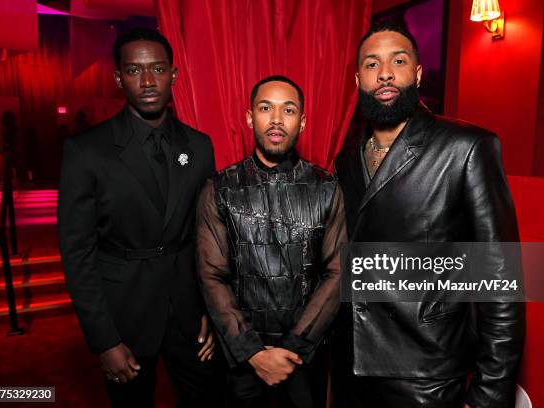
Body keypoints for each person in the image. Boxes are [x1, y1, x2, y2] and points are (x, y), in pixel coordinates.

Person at [332, 23, 525, 407]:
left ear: (417, 73)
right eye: (372, 64)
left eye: (398, 61)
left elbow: (500, 278)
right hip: (352, 371)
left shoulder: (466, 148)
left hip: (428, 377)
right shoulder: (346, 161)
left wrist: (489, 394)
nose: (385, 72)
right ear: (358, 80)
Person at [58, 28, 224, 407]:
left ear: (174, 74)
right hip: (124, 317)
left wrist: (211, 310)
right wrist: (105, 340)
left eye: (158, 69)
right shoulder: (86, 152)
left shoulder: (198, 146)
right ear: (118, 77)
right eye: (134, 70)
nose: (148, 81)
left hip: (189, 315)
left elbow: (208, 237)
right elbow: (77, 253)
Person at [196, 75, 347, 408]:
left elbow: (338, 274)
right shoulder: (219, 188)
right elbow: (211, 275)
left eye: (288, 110)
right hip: (242, 363)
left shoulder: (326, 187)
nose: (277, 119)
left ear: (302, 122)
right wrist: (252, 352)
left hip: (305, 360)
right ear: (250, 117)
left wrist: (293, 348)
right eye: (266, 108)